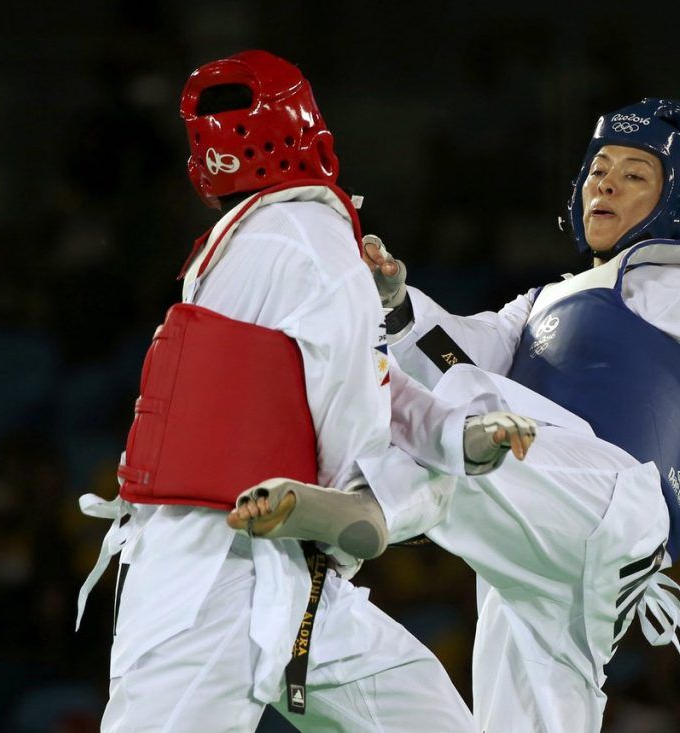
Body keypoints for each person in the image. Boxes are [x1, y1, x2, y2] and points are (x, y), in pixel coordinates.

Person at [352, 99, 680, 728]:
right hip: (539, 538)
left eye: (634, 174)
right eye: (598, 169)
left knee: (452, 422)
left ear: (677, 198)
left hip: (614, 504)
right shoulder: (540, 302)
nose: (606, 184)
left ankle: (376, 495)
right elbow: (457, 358)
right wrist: (396, 303)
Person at [75, 50, 479, 732]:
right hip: (212, 580)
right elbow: (351, 424)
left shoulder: (238, 245)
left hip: (272, 567)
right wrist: (366, 513)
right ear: (311, 134)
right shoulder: (313, 238)